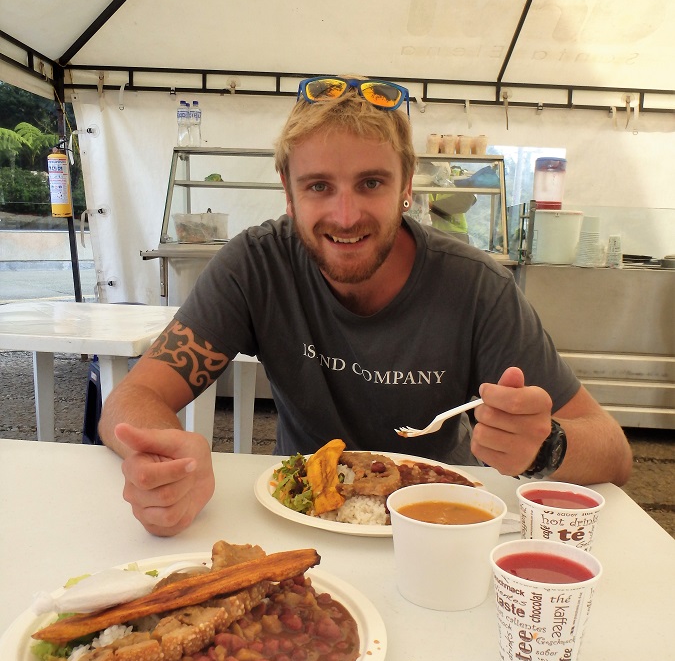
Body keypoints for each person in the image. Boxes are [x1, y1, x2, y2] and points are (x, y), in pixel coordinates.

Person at [99, 75, 632, 536]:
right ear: (288, 191)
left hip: (433, 523)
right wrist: (168, 455)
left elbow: (613, 449)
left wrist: (546, 447)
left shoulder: (477, 288)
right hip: (299, 517)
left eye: (371, 183)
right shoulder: (255, 267)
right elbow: (136, 395)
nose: (346, 215)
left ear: (406, 184)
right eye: (319, 187)